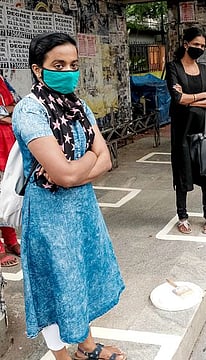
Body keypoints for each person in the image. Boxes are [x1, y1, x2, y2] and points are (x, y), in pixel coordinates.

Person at [12, 32, 125, 360]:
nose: (68, 71)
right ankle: (63, 357)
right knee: (54, 286)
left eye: (73, 64)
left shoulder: (78, 105)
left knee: (79, 279)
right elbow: (68, 172)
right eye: (58, 65)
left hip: (82, 210)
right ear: (38, 69)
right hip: (48, 216)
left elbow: (105, 159)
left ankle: (87, 348)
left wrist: (76, 169)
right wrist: (85, 162)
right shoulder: (29, 112)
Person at [166, 27, 206, 235]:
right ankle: (183, 216)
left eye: (203, 46)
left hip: (204, 129)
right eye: (196, 44)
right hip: (182, 131)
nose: (200, 48)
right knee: (182, 173)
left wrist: (191, 98)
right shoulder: (173, 68)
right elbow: (178, 99)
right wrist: (200, 96)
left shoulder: (204, 70)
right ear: (186, 44)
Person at [0, 74, 21, 267]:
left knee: (6, 196)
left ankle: (10, 240)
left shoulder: (2, 79)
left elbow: (16, 104)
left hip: (7, 146)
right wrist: (6, 113)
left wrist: (7, 113)